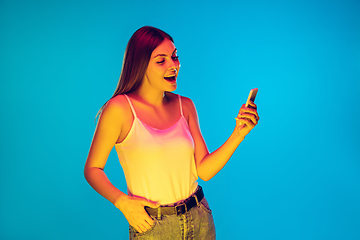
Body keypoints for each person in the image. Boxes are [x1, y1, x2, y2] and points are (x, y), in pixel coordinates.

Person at [84, 26, 259, 239]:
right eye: (161, 60)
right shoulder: (120, 109)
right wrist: (122, 202)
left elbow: (203, 170)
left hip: (199, 217)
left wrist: (238, 134)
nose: (173, 65)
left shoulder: (185, 106)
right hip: (153, 226)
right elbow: (93, 168)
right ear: (141, 65)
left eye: (174, 57)